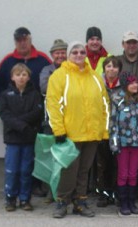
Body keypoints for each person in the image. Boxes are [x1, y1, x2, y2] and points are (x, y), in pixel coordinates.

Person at [47, 41, 110, 218]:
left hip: (92, 134)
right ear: (68, 55)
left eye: (82, 52)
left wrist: (104, 131)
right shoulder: (59, 76)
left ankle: (80, 202)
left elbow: (105, 104)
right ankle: (62, 202)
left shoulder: (95, 77)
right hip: (70, 135)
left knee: (84, 171)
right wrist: (58, 130)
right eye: (74, 52)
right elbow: (53, 104)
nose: (79, 55)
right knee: (69, 171)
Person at [0, 63, 42, 212]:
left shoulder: (35, 94)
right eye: (18, 74)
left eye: (24, 74)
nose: (21, 77)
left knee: (26, 170)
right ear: (12, 77)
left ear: (29, 77)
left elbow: (37, 113)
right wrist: (20, 125)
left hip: (28, 138)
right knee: (12, 170)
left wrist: (21, 123)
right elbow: (5, 114)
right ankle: (10, 198)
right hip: (12, 139)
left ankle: (25, 199)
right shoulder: (5, 94)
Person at [109, 72, 138, 215]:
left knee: (133, 173)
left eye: (136, 82)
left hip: (137, 143)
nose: (134, 85)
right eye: (131, 83)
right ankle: (123, 203)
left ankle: (132, 202)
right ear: (125, 85)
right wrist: (114, 143)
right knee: (123, 173)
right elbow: (113, 124)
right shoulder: (117, 100)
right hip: (122, 144)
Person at [0, 27, 51, 101]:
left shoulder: (43, 59)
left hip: (38, 108)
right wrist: (4, 103)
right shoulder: (7, 61)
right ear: (15, 43)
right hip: (12, 110)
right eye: (19, 40)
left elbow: (53, 83)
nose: (22, 43)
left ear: (30, 41)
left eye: (25, 40)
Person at [95, 56, 123, 208]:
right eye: (108, 66)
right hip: (101, 130)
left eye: (114, 66)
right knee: (101, 165)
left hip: (117, 132)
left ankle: (114, 193)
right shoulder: (97, 84)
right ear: (104, 68)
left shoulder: (122, 87)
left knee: (116, 164)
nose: (111, 69)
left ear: (119, 70)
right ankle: (102, 194)